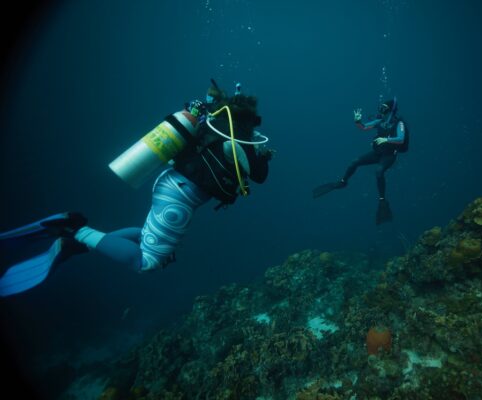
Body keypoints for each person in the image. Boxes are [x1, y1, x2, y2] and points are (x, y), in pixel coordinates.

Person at [0, 80, 274, 297]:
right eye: (255, 123)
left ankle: (75, 244)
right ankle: (76, 231)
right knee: (146, 263)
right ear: (248, 120)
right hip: (179, 196)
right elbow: (259, 175)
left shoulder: (215, 124)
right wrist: (261, 154)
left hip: (174, 188)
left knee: (144, 237)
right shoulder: (234, 139)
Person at [313, 97, 409, 225]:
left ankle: (382, 200)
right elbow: (363, 127)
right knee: (354, 162)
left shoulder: (399, 123)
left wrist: (386, 140)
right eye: (381, 107)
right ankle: (342, 182)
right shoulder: (379, 121)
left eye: (384, 108)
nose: (381, 110)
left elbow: (401, 139)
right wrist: (357, 120)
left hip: (389, 155)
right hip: (377, 153)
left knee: (379, 171)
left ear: (391, 110)